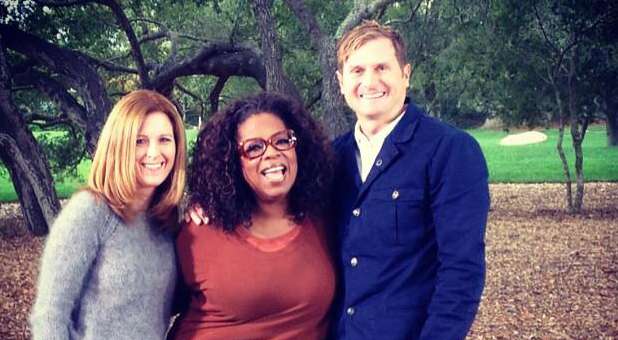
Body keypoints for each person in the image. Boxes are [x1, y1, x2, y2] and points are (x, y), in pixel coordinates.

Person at [330, 20, 489, 339]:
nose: (370, 81)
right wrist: (204, 210)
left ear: (405, 74)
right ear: (341, 81)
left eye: (382, 67)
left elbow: (461, 272)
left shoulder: (449, 150)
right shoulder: (332, 158)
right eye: (357, 70)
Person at [172, 92, 336, 339]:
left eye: (282, 141)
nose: (271, 154)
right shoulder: (200, 229)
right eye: (254, 148)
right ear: (231, 162)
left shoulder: (325, 221)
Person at [30, 89, 187, 339]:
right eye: (140, 141)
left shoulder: (166, 218)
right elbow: (49, 316)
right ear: (119, 145)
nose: (154, 153)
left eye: (165, 140)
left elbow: (165, 304)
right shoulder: (90, 211)